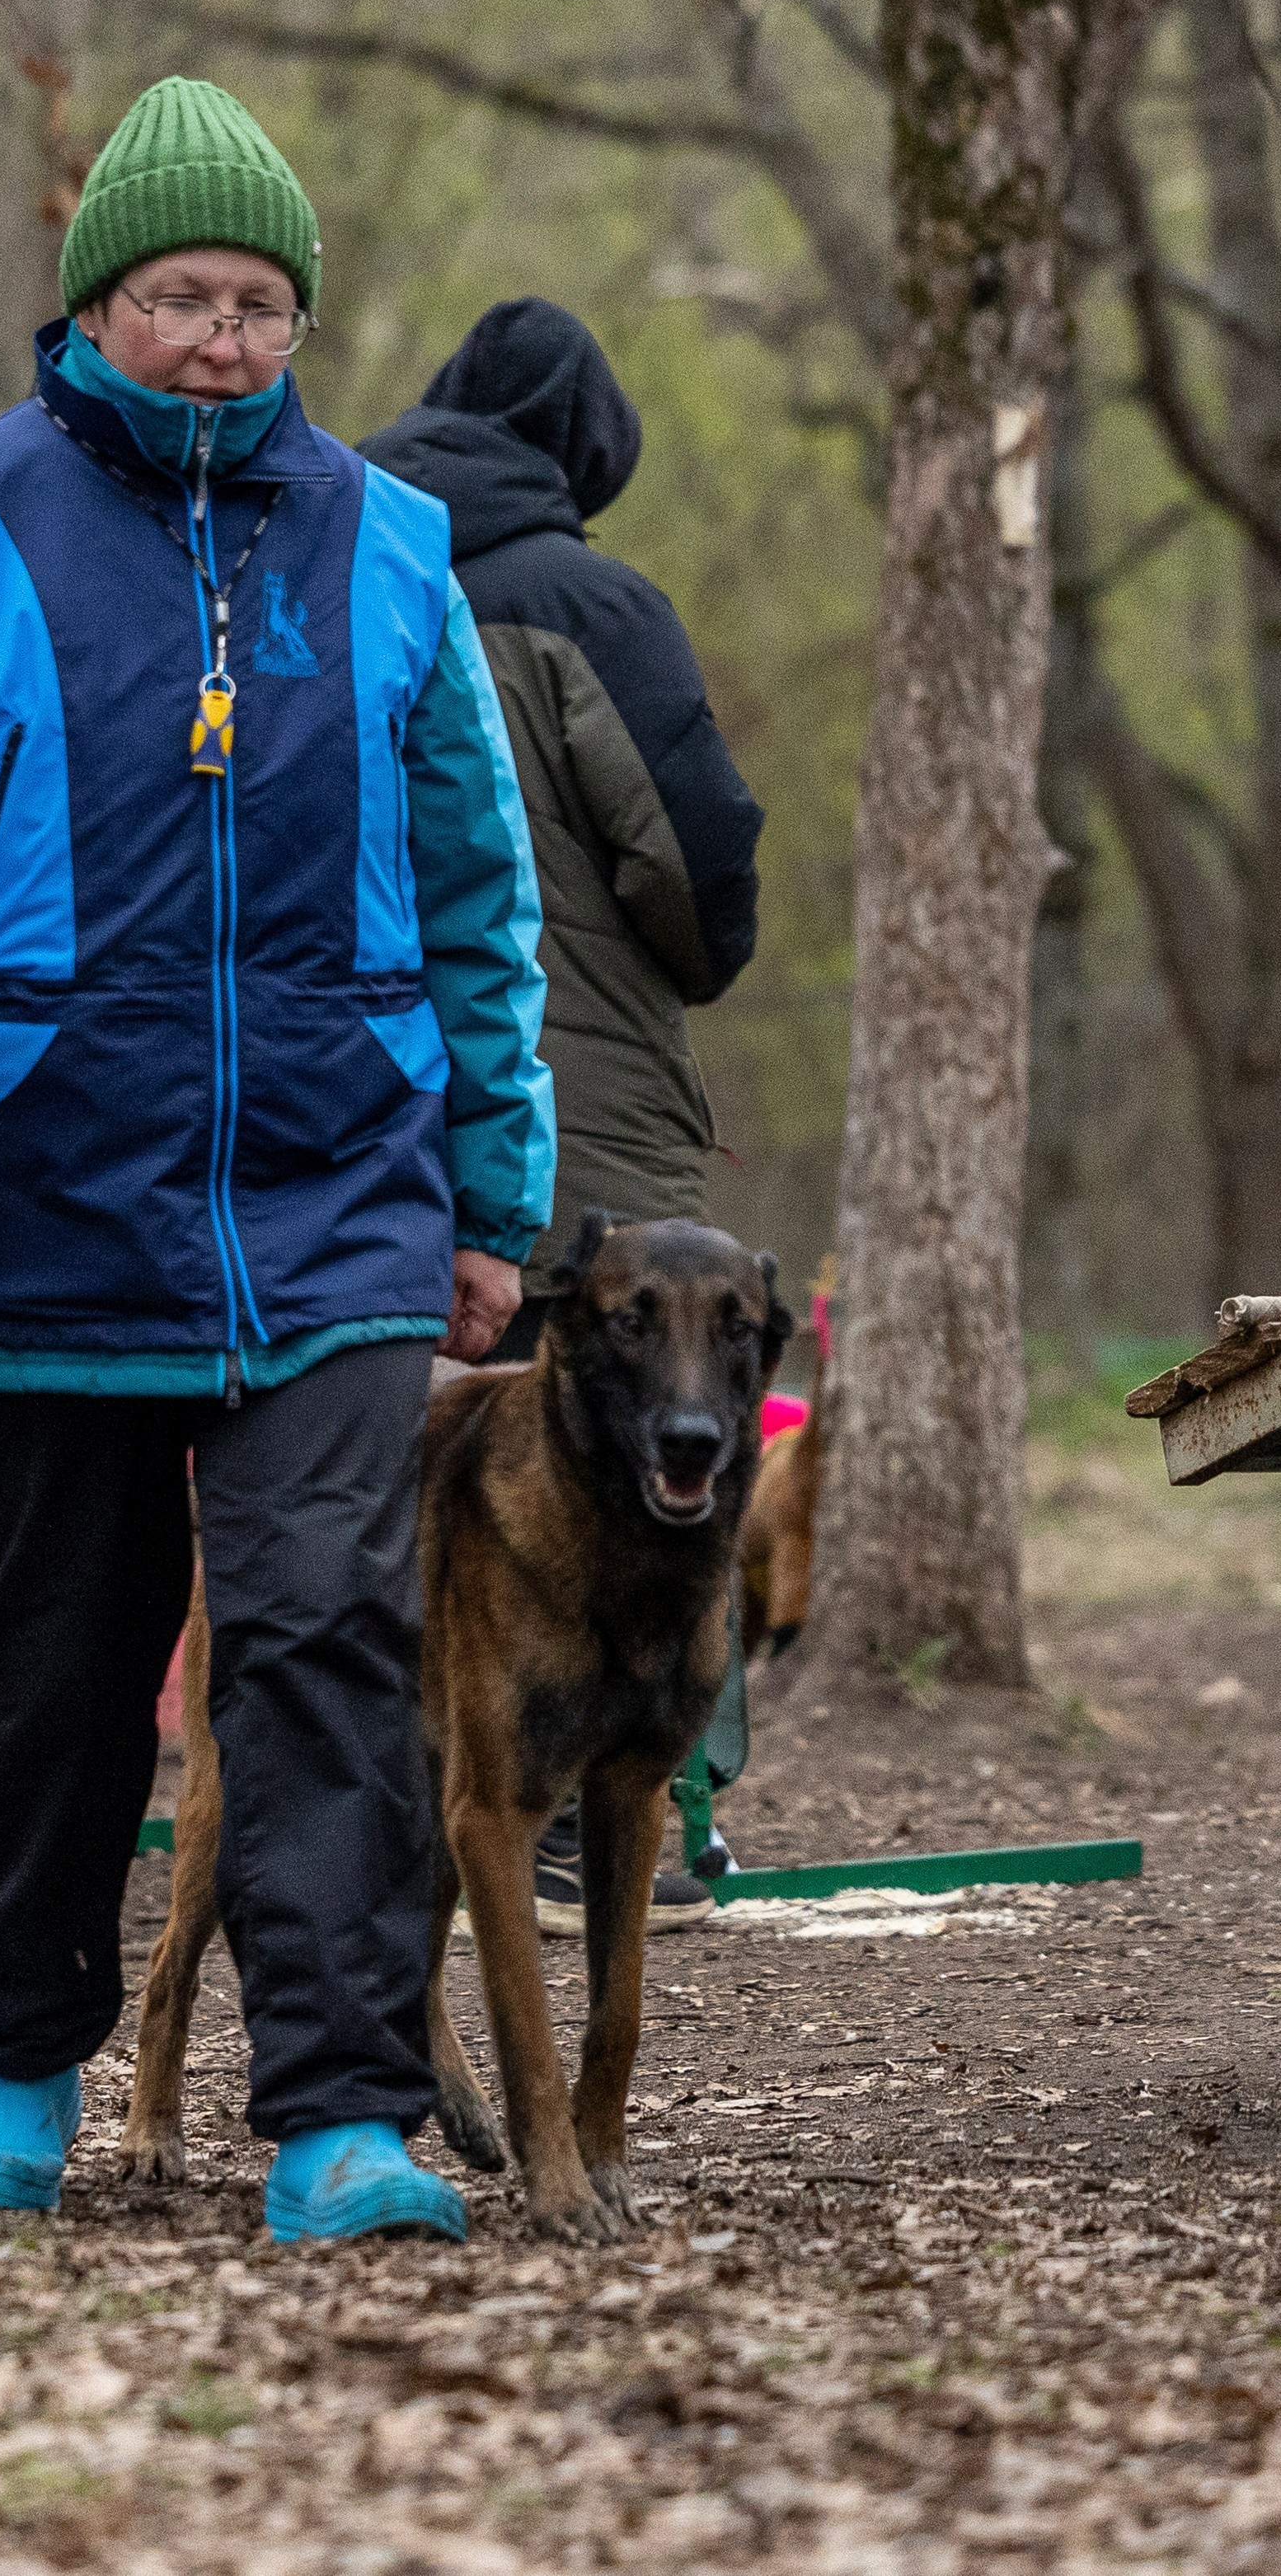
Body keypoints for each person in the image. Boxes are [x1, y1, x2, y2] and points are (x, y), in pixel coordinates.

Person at [0, 80, 554, 2245]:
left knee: (322, 1634)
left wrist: (495, 1194)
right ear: (96, 300)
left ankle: (341, 2117)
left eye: (262, 303)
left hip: (336, 1188)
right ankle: (15, 2059)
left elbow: (482, 882)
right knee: (58, 1647)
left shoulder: (390, 550)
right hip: (33, 1184)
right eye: (183, 295)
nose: (223, 336)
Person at [361, 298, 762, 1930]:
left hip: (368, 1123)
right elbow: (701, 877)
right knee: (655, 1449)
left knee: (399, 1472)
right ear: (587, 458)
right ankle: (626, 1823)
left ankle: (402, 1809)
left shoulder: (343, 567)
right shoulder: (594, 603)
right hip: (586, 1137)